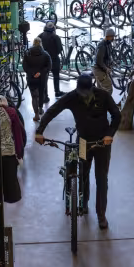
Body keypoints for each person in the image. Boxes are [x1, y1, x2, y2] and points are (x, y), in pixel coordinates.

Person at [35, 74, 120, 229]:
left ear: (92, 87)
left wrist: (110, 134)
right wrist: (39, 131)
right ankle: (83, 203)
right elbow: (52, 111)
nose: (83, 96)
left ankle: (101, 214)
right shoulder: (72, 97)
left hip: (102, 143)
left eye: (86, 93)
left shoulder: (103, 95)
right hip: (82, 142)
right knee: (83, 174)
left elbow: (117, 115)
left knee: (101, 178)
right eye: (81, 93)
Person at [23, 37, 51, 122]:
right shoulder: (46, 54)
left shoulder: (27, 53)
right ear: (40, 43)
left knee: (34, 96)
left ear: (33, 43)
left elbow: (25, 66)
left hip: (31, 78)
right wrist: (41, 72)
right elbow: (49, 66)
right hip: (42, 78)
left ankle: (36, 115)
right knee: (41, 93)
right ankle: (41, 108)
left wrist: (32, 73)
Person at [39, 21, 64, 100]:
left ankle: (45, 96)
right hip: (54, 59)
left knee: (44, 78)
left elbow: (37, 47)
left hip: (44, 61)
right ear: (53, 28)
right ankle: (57, 92)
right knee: (56, 76)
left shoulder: (40, 36)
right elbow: (60, 49)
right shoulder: (56, 37)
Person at [93, 28, 115, 93]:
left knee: (100, 90)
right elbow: (98, 61)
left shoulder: (108, 44)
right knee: (108, 87)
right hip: (98, 69)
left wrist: (112, 62)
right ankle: (106, 102)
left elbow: (108, 56)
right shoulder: (102, 46)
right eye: (112, 37)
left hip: (101, 68)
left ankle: (99, 102)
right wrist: (106, 69)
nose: (113, 38)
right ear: (107, 36)